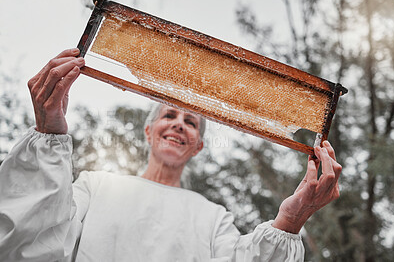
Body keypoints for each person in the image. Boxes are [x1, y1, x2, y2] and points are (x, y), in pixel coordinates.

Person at [0, 48, 342, 262]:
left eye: (190, 122)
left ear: (199, 146)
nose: (178, 125)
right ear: (149, 132)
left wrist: (292, 218)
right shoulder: (95, 186)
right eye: (168, 116)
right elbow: (31, 245)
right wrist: (48, 136)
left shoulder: (211, 217)